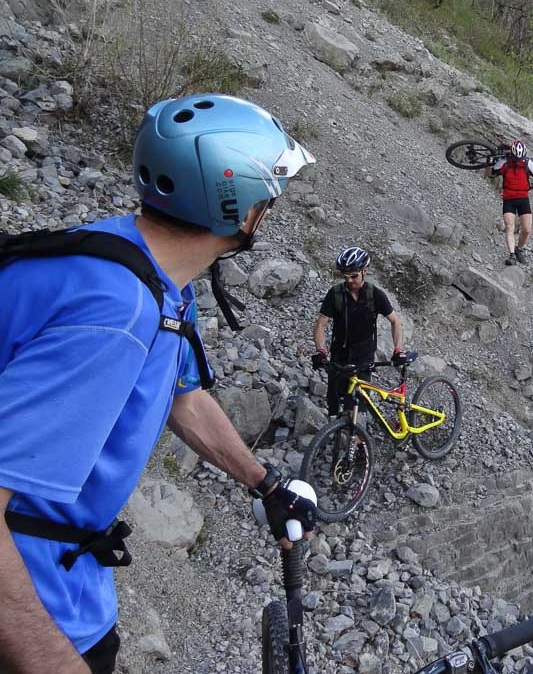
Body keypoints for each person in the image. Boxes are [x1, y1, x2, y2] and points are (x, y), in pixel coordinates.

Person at [0, 94, 319, 673]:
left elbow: (182, 395)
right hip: (32, 597)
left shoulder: (142, 267)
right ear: (237, 204)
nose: (269, 208)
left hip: (71, 580)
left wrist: (264, 482)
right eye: (269, 193)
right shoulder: (116, 316)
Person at [311, 247, 406, 416]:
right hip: (339, 357)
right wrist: (321, 351)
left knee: (355, 408)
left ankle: (358, 440)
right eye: (344, 276)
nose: (349, 281)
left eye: (353, 276)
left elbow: (395, 321)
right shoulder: (335, 295)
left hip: (363, 359)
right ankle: (335, 435)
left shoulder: (375, 295)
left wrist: (398, 350)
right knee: (333, 404)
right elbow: (320, 325)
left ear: (365, 272)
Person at [487, 138, 533, 265]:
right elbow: (489, 174)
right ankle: (512, 255)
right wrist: (489, 162)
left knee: (527, 230)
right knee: (510, 227)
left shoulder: (527, 162)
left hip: (523, 198)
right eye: (515, 158)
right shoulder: (504, 162)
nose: (517, 161)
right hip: (508, 198)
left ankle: (519, 250)